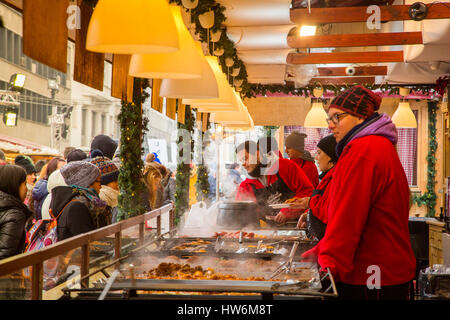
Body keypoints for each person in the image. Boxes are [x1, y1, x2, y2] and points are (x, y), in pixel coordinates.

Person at [311, 85, 416, 300]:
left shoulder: (362, 151)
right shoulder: (377, 145)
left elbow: (347, 216)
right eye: (328, 119)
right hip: (385, 269)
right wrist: (319, 251)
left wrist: (328, 264)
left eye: (336, 117)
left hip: (372, 271)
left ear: (359, 117)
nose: (331, 126)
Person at [235, 140, 314, 224]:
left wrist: (287, 212)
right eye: (241, 161)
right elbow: (240, 212)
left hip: (296, 225)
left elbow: (308, 192)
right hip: (264, 232)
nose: (243, 164)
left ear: (257, 154)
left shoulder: (286, 167)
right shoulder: (245, 186)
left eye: (245, 158)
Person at [51, 161, 109, 241]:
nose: (100, 186)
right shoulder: (77, 208)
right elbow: (86, 243)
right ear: (87, 182)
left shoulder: (80, 203)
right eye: (98, 181)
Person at [295, 134, 338, 241]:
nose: (316, 157)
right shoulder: (326, 178)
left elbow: (331, 212)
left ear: (330, 155)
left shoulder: (336, 180)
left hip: (329, 242)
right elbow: (320, 203)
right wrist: (308, 214)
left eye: (319, 153)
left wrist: (310, 203)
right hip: (319, 240)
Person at [0, 165, 33, 260]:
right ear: (14, 185)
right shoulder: (15, 215)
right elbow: (5, 254)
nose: (26, 189)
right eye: (24, 184)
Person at [89, 156, 120, 223]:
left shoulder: (116, 195)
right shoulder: (103, 197)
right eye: (115, 181)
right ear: (104, 182)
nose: (118, 183)